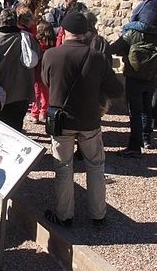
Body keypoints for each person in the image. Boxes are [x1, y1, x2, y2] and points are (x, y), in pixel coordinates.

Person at [42, 12, 123, 228]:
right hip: (89, 121)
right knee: (96, 167)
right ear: (85, 32)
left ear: (64, 31)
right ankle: (98, 215)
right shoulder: (96, 57)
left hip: (62, 122)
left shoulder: (51, 55)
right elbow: (116, 89)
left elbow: (45, 80)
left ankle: (64, 215)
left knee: (63, 168)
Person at [110, 5, 157, 155]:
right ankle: (147, 140)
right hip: (152, 77)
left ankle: (134, 147)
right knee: (147, 108)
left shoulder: (133, 33)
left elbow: (114, 49)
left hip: (134, 77)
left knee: (134, 112)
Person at [0, 10, 41, 131]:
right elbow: (37, 56)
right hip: (22, 91)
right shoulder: (27, 38)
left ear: (1, 21)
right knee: (16, 127)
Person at [29, 20, 55, 123]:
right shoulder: (51, 43)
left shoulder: (37, 42)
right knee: (46, 92)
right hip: (47, 70)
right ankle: (44, 112)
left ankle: (35, 113)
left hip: (37, 70)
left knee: (36, 93)